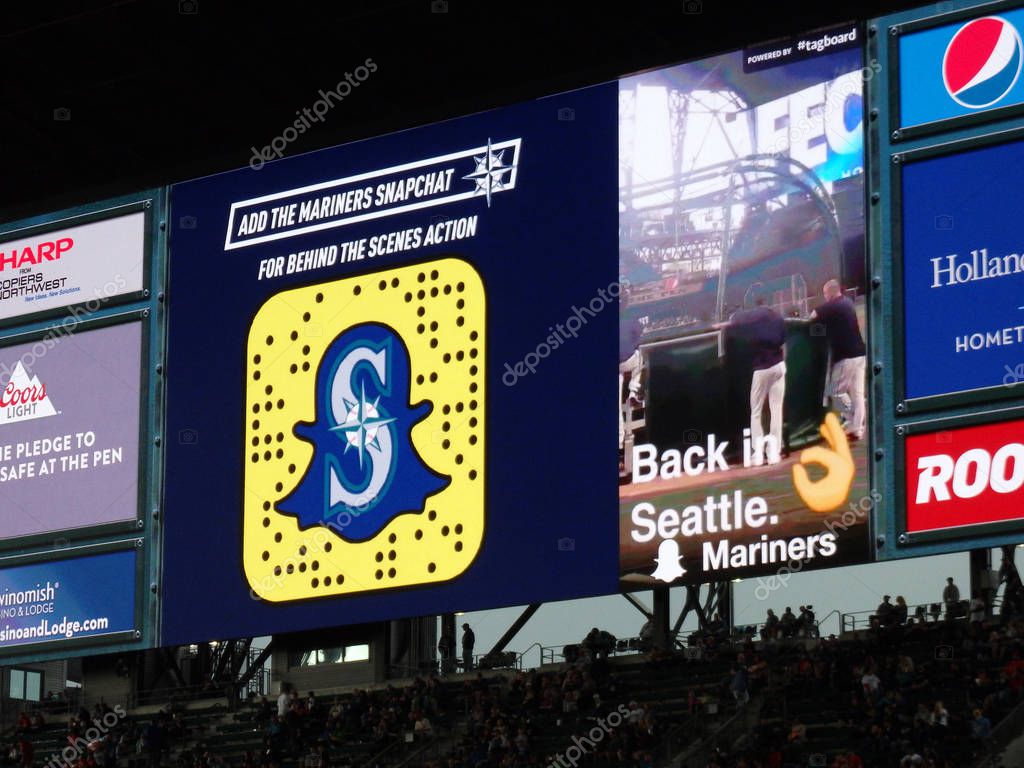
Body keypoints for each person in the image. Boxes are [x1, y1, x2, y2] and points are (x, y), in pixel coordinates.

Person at [724, 290, 786, 465]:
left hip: (761, 368)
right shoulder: (777, 316)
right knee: (776, 410)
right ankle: (773, 453)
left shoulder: (751, 315)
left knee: (756, 412)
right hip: (779, 365)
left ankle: (758, 454)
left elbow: (734, 319)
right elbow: (783, 341)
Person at [809, 279, 866, 440]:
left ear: (831, 293)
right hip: (860, 354)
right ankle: (857, 428)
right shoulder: (847, 302)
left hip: (846, 356)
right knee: (857, 394)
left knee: (835, 391)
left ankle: (850, 419)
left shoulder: (834, 305)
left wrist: (815, 329)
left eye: (825, 294)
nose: (825, 297)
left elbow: (813, 315)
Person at [618, 288, 644, 459]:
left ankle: (619, 443)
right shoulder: (631, 318)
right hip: (629, 362)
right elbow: (638, 340)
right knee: (641, 356)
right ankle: (634, 391)